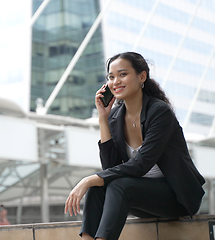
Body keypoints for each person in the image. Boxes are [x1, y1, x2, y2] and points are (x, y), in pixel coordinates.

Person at [64, 52, 205, 240]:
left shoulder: (159, 112)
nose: (116, 82)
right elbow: (111, 168)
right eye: (111, 77)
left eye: (122, 74)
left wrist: (89, 179)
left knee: (113, 184)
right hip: (141, 198)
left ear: (142, 77)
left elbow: (141, 164)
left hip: (176, 197)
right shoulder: (115, 117)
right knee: (99, 187)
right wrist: (103, 119)